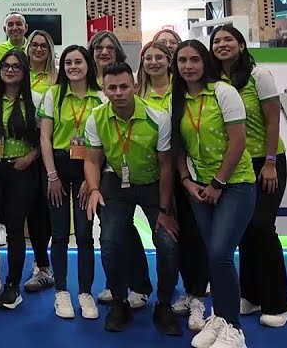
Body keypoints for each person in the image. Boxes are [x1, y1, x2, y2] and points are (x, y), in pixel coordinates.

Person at [83, 63, 182, 337]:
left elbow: (166, 165)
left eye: (124, 86)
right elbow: (92, 160)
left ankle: (164, 304)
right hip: (116, 181)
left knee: (167, 243)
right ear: (104, 90)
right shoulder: (95, 117)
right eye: (112, 88)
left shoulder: (158, 117)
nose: (118, 93)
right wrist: (94, 189)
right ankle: (120, 301)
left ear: (135, 87)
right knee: (110, 242)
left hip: (153, 182)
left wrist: (165, 209)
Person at [172, 40, 255, 348]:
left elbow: (238, 141)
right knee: (213, 255)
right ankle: (220, 317)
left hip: (235, 184)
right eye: (182, 60)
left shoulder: (224, 92)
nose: (188, 66)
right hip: (199, 188)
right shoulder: (178, 99)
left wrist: (218, 183)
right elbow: (177, 147)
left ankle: (234, 330)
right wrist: (186, 181)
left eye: (194, 59)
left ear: (205, 62)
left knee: (220, 254)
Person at [210, 24, 287, 328]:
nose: (222, 45)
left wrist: (269, 162)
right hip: (237, 163)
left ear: (241, 45)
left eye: (228, 40)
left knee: (262, 227)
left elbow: (273, 122)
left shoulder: (259, 76)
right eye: (217, 41)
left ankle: (279, 303)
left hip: (266, 161)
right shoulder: (215, 81)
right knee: (243, 230)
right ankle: (251, 295)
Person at [138, 41, 210, 330]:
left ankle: (196, 293)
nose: (154, 62)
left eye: (159, 57)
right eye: (148, 58)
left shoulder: (179, 91)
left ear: (169, 62)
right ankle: (173, 290)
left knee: (191, 233)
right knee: (167, 236)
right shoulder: (136, 92)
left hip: (183, 171)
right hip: (150, 173)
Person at [38, 45, 103, 320]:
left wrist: (92, 179)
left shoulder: (101, 96)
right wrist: (52, 175)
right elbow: (45, 138)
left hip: (89, 166)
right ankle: (61, 291)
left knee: (86, 234)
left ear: (88, 65)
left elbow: (104, 141)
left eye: (78, 62)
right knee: (60, 233)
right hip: (59, 167)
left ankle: (85, 292)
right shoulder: (53, 94)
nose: (73, 67)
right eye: (68, 63)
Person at [0, 49, 42, 309]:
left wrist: (30, 157)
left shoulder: (35, 99)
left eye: (16, 66)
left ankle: (13, 284)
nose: (10, 70)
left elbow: (46, 137)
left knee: (14, 228)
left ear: (24, 71)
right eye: (6, 65)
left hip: (21, 169)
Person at [87, 31, 147, 309]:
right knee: (111, 233)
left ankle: (141, 286)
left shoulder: (127, 80)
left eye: (110, 47)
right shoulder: (83, 82)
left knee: (129, 231)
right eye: (99, 47)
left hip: (135, 169)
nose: (104, 51)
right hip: (99, 170)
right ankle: (118, 286)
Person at [21, 30, 57, 294]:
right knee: (28, 210)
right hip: (20, 153)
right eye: (34, 45)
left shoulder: (56, 78)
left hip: (48, 154)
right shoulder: (18, 74)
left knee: (44, 211)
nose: (38, 49)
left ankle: (44, 266)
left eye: (44, 45)